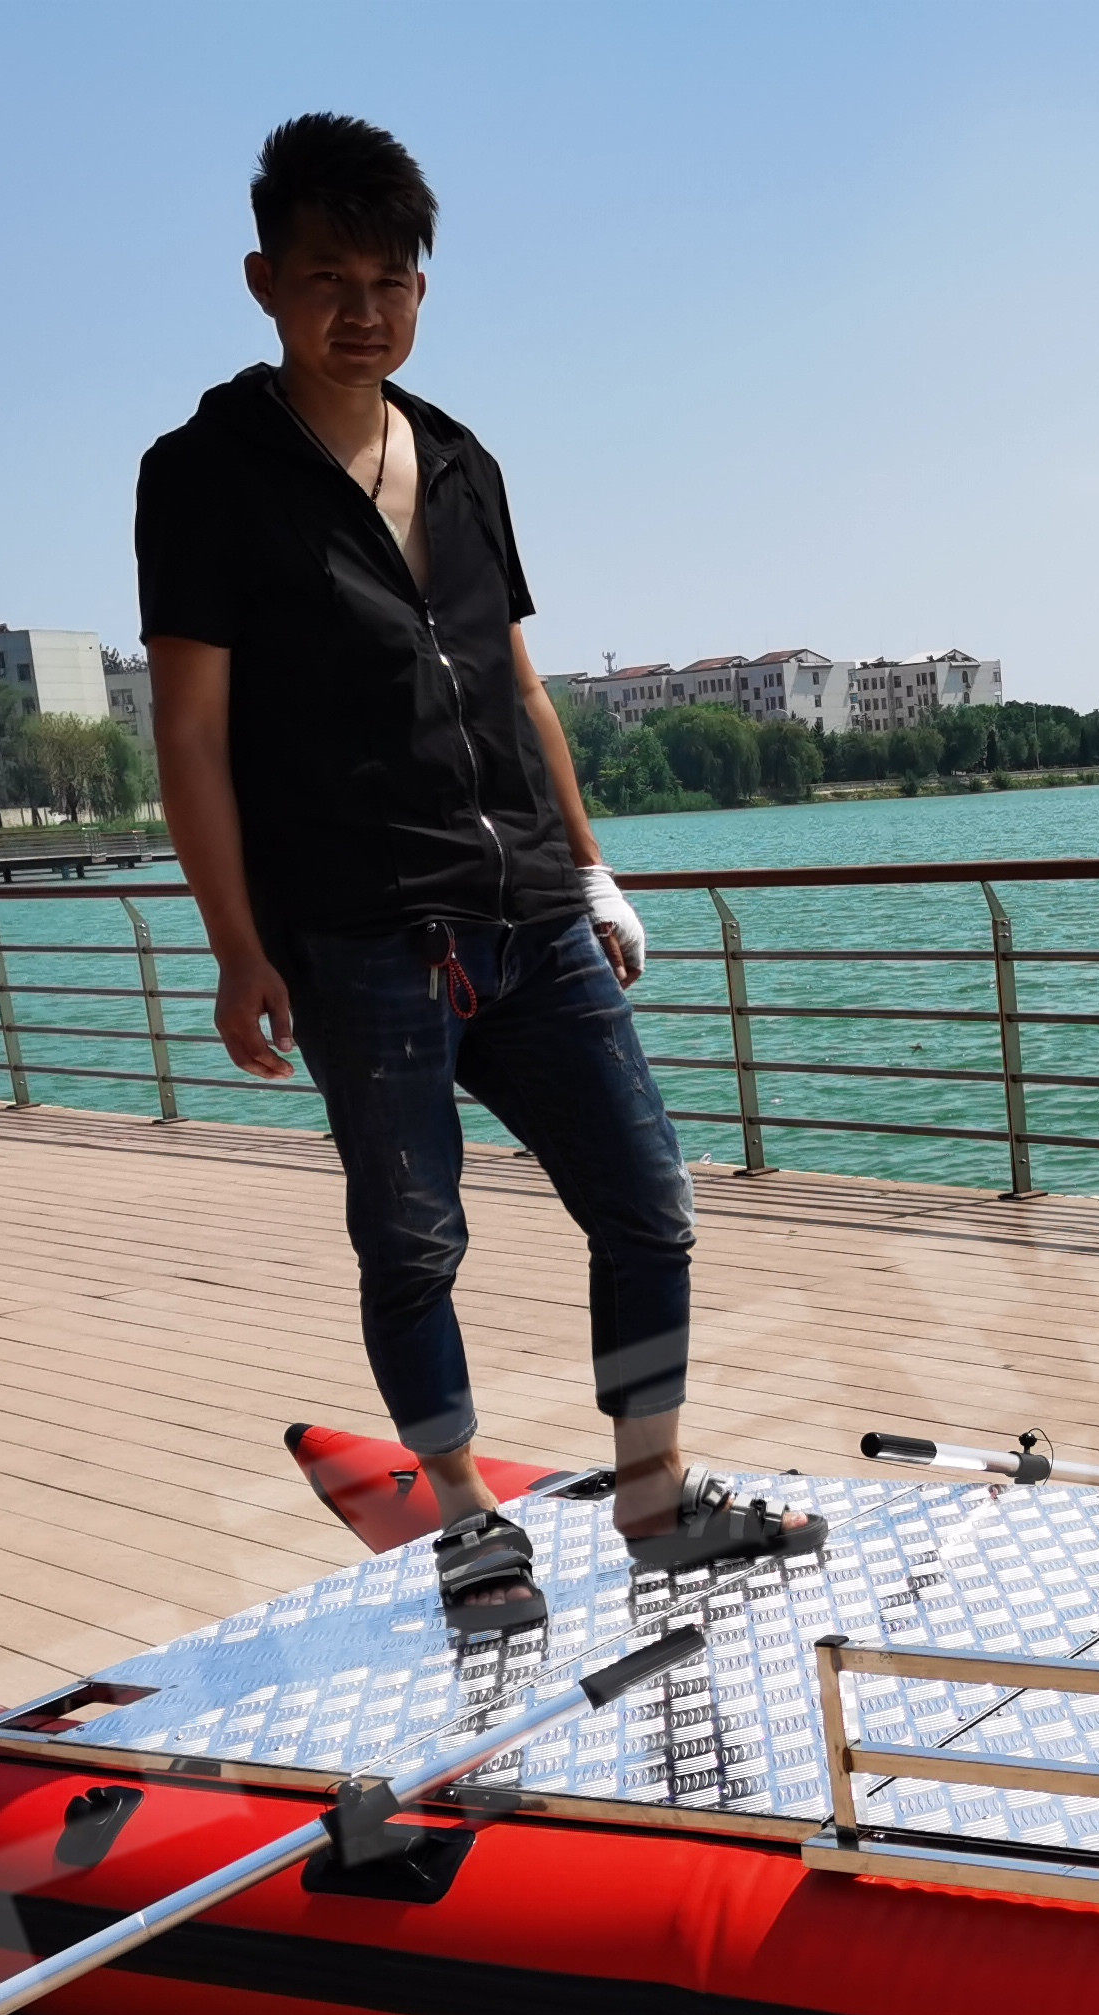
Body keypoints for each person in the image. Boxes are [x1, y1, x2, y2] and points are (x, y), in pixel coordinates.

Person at [137, 112, 821, 1617]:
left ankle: (654, 1494)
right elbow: (190, 733)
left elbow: (518, 688)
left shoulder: (459, 460)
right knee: (413, 1242)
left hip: (530, 914)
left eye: (391, 280)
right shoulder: (206, 474)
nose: (362, 309)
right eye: (328, 278)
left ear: (423, 289)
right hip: (360, 933)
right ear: (263, 282)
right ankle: (461, 1516)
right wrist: (239, 948)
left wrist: (593, 871)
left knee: (650, 1205)